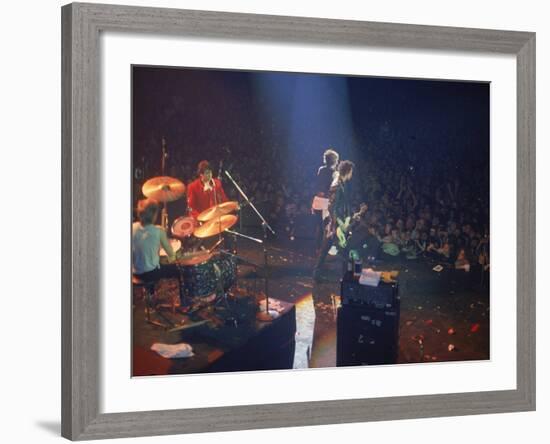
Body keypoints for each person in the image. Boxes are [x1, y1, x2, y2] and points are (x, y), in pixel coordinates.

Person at [132, 198, 185, 302]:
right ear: (154, 215)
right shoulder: (158, 231)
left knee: (145, 259)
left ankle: (151, 294)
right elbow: (171, 255)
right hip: (151, 274)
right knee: (180, 270)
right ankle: (184, 302)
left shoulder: (132, 227)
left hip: (134, 272)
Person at [313, 160, 355, 281]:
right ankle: (318, 274)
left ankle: (319, 273)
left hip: (335, 222)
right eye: (351, 171)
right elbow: (331, 206)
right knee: (330, 248)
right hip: (333, 223)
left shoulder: (341, 184)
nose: (352, 174)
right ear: (347, 171)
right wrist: (339, 223)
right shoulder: (337, 185)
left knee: (332, 248)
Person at [312, 149, 339, 251]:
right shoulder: (335, 173)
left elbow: (318, 186)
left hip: (317, 200)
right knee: (327, 227)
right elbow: (333, 189)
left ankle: (317, 248)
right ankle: (324, 249)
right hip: (326, 202)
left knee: (319, 226)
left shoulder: (321, 169)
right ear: (334, 161)